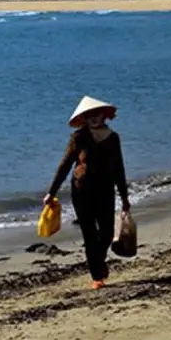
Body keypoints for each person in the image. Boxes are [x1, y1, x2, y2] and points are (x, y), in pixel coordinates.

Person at [43, 95, 131, 290]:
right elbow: (65, 165)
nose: (93, 118)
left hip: (106, 190)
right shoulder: (78, 137)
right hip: (82, 192)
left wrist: (125, 197)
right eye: (89, 115)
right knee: (89, 234)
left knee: (107, 232)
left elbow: (119, 169)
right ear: (84, 118)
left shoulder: (113, 138)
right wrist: (51, 192)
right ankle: (97, 276)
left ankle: (98, 263)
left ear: (103, 116)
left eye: (97, 114)